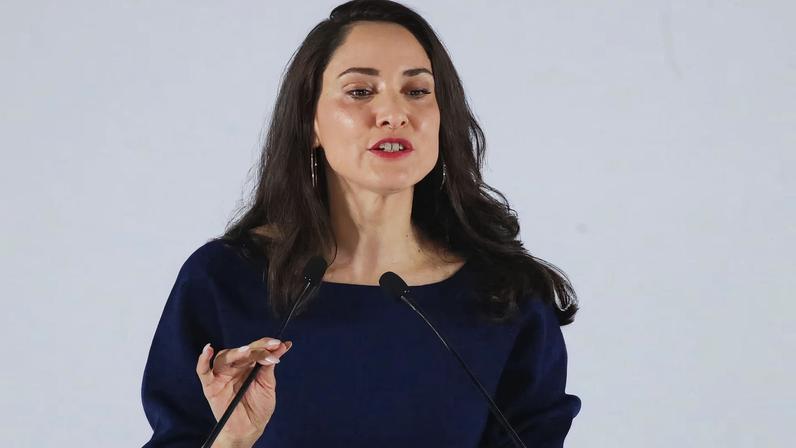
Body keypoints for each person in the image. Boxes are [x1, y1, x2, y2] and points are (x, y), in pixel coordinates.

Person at [141, 1, 581, 447]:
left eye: (417, 91)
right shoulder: (222, 281)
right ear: (310, 121)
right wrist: (232, 441)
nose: (393, 113)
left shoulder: (505, 296)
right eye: (360, 92)